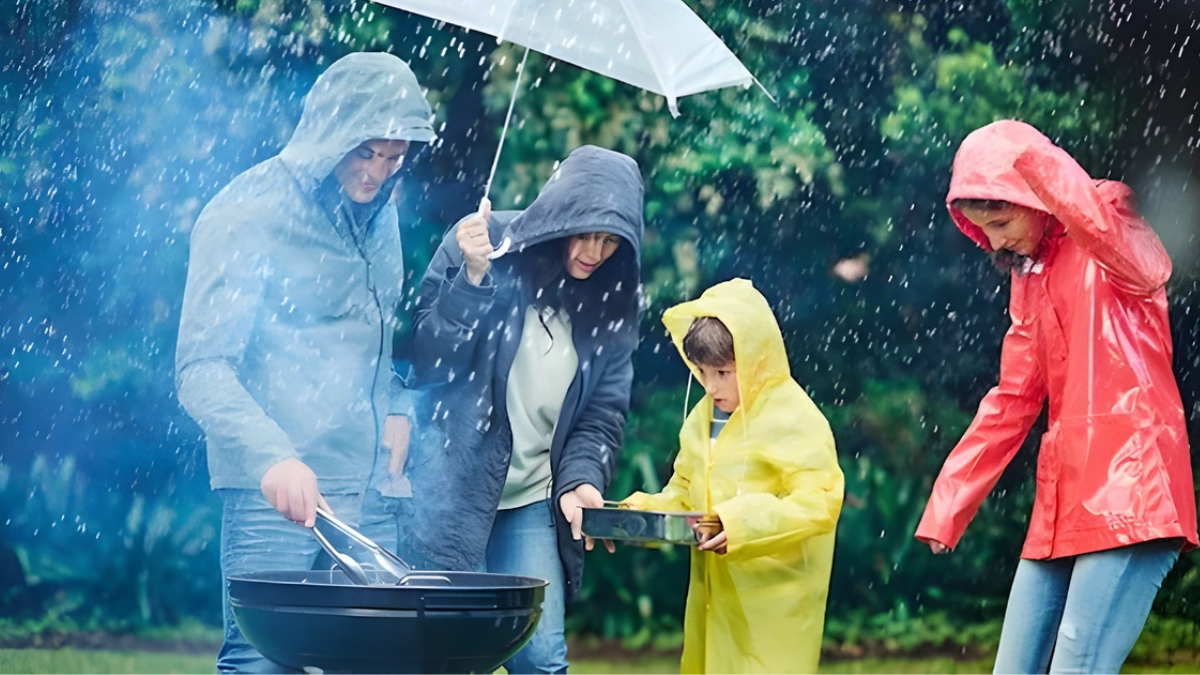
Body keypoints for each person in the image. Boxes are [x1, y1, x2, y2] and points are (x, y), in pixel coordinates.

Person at [174, 52, 434, 673]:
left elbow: (374, 341)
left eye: (395, 157)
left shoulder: (383, 216)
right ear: (329, 133)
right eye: (366, 152)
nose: (378, 172)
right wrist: (275, 458)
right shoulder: (245, 214)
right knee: (262, 661)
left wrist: (397, 406)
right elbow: (201, 368)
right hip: (275, 495)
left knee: (384, 659)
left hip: (370, 488)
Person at [914, 120, 1198, 674]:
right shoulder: (1031, 273)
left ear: (1038, 195)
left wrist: (1037, 165)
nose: (993, 241)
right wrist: (949, 502)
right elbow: (1013, 399)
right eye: (982, 228)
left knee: (1077, 668)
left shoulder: (1112, 214)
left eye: (1000, 220)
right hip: (1062, 496)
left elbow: (1148, 266)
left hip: (1133, 489)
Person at [397, 145, 643, 674]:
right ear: (561, 213)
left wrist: (581, 482)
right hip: (451, 488)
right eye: (586, 232)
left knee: (541, 656)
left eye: (610, 240)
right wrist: (473, 279)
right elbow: (428, 360)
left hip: (531, 496)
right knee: (453, 656)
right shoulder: (486, 244)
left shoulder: (613, 300)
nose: (594, 251)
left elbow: (602, 413)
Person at [621, 278, 844, 674]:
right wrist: (638, 515)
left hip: (774, 608)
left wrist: (741, 523)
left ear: (756, 358)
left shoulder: (795, 417)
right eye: (703, 372)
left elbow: (819, 502)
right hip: (713, 603)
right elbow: (685, 492)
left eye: (723, 372)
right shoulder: (701, 419)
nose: (711, 385)